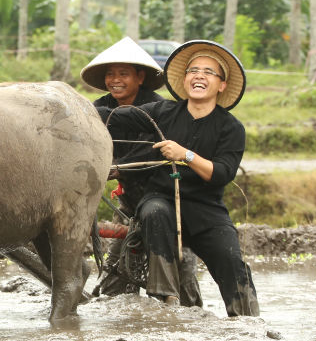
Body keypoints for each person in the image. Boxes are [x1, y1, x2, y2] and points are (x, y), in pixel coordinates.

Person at [98, 40, 259, 317]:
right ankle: (165, 301)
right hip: (161, 200)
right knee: (153, 210)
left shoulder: (231, 127)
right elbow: (117, 117)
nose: (199, 75)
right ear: (184, 80)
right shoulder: (162, 113)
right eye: (193, 70)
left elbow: (222, 173)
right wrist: (74, 107)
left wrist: (185, 155)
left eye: (208, 72)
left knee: (231, 259)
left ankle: (248, 322)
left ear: (221, 85)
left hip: (206, 209)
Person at [82, 38, 204, 306]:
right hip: (128, 206)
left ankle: (183, 311)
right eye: (110, 74)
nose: (115, 80)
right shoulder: (98, 108)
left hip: (166, 201)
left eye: (123, 74)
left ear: (140, 77)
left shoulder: (161, 109)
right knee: (114, 283)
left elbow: (155, 151)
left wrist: (117, 168)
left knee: (182, 275)